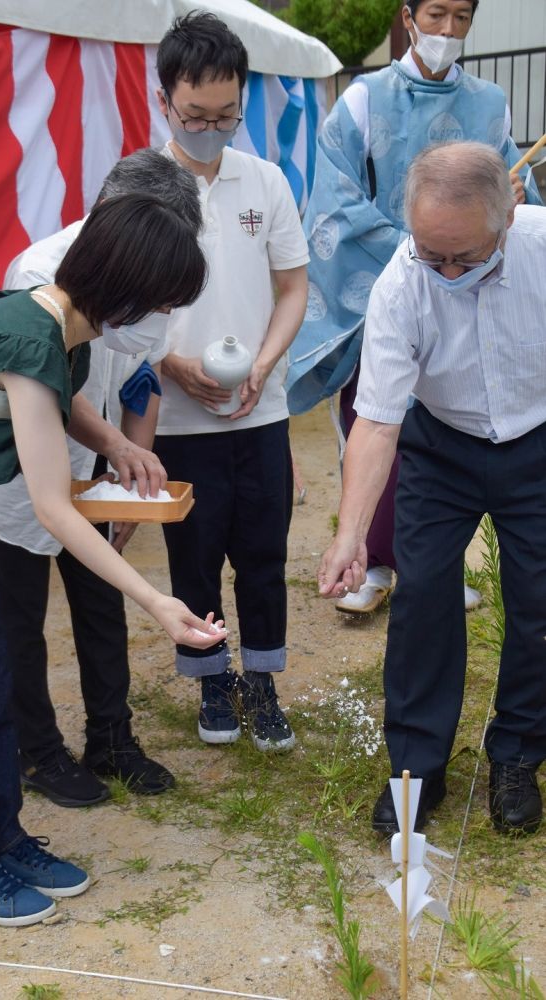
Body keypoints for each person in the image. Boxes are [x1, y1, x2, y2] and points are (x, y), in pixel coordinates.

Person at [0, 193, 226, 926]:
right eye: (163, 302)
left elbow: (52, 401)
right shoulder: (32, 337)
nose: (164, 322)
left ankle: (0, 839)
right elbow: (52, 507)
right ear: (126, 288)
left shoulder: (57, 326)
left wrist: (117, 444)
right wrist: (155, 601)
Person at [318, 141, 546, 835]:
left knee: (539, 602)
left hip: (536, 441)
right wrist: (350, 535)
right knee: (419, 597)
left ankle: (515, 755)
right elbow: (378, 419)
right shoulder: (401, 282)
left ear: (505, 220)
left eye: (464, 258)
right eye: (431, 254)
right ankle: (416, 769)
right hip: (440, 444)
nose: (445, 272)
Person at [287, 0, 542, 616]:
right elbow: (337, 199)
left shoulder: (489, 103)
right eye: (436, 14)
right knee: (376, 420)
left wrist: (500, 203)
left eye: (461, 18)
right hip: (388, 278)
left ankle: (431, 564)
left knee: (451, 431)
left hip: (475, 282)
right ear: (407, 16)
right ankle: (372, 558)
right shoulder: (364, 99)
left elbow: (517, 192)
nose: (447, 31)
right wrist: (419, 253)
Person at [0, 149, 204, 807]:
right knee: (17, 614)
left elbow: (142, 371)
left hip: (96, 461)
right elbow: (44, 383)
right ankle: (37, 750)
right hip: (21, 466)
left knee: (101, 602)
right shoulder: (40, 271)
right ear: (114, 218)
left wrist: (135, 463)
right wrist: (114, 447)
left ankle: (112, 738)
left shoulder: (157, 261)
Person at [151, 12, 309, 751]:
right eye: (195, 116)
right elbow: (114, 303)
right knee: (195, 552)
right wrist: (168, 363)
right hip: (181, 416)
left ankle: (263, 680)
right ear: (164, 102)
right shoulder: (139, 186)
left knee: (262, 552)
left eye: (226, 116)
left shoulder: (266, 180)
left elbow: (292, 289)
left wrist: (264, 365)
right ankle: (212, 676)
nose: (212, 129)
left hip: (258, 408)